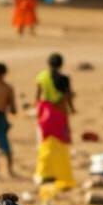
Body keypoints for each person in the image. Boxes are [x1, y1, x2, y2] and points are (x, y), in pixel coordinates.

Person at [35, 53, 76, 193]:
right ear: (61, 64)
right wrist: (72, 108)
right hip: (60, 113)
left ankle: (44, 173)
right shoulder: (65, 79)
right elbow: (67, 97)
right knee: (60, 145)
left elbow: (38, 97)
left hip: (45, 114)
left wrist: (40, 111)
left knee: (45, 144)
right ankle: (60, 174)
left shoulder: (41, 77)